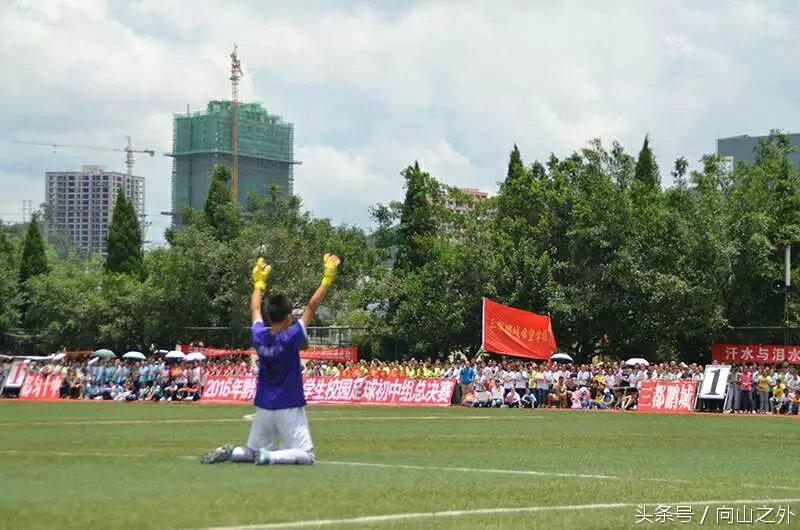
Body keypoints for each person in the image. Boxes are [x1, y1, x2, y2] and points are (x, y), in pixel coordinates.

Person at [202, 253, 340, 466]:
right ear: (287, 318)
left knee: (250, 450)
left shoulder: (259, 337)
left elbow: (255, 308)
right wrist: (327, 279)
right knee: (307, 454)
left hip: (264, 405)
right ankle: (271, 456)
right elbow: (311, 307)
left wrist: (258, 283)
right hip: (288, 404)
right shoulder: (291, 337)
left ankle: (232, 453)